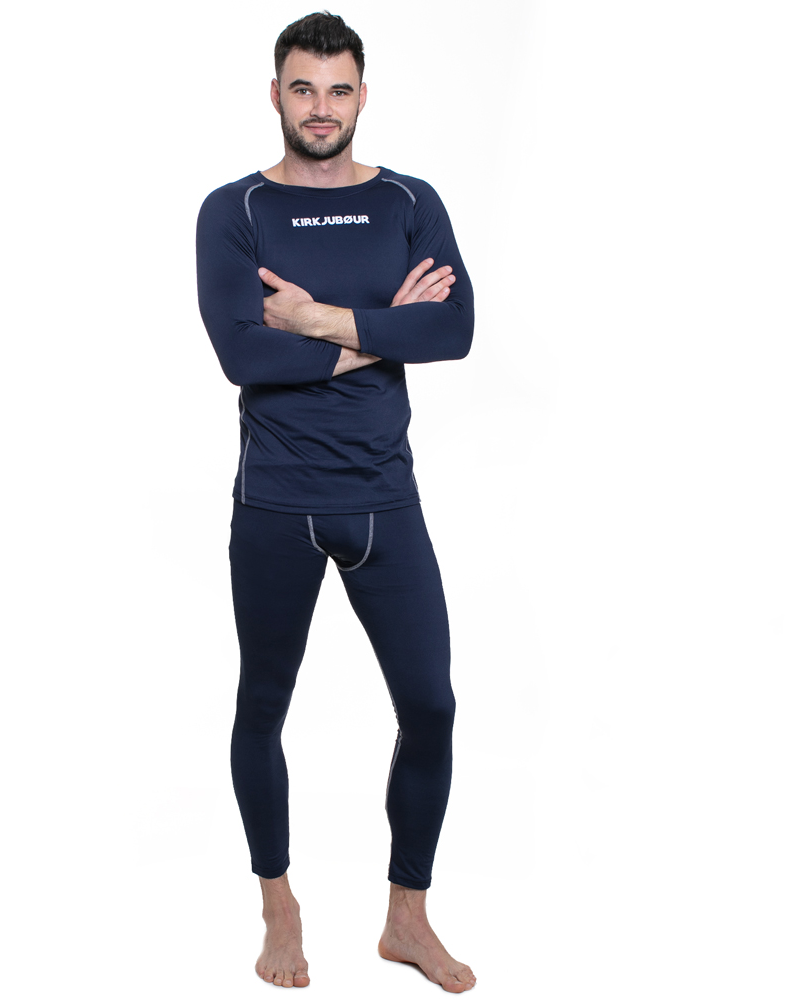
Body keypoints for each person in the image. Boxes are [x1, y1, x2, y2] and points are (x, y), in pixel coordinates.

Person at [195, 12, 476, 993]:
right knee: (262, 704)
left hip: (383, 499)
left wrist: (313, 318)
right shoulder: (233, 209)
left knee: (430, 704)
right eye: (303, 88)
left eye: (338, 88)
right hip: (276, 501)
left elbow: (454, 330)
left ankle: (406, 916)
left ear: (363, 95)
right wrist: (383, 325)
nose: (321, 107)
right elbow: (242, 353)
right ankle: (278, 903)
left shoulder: (408, 201)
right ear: (275, 94)